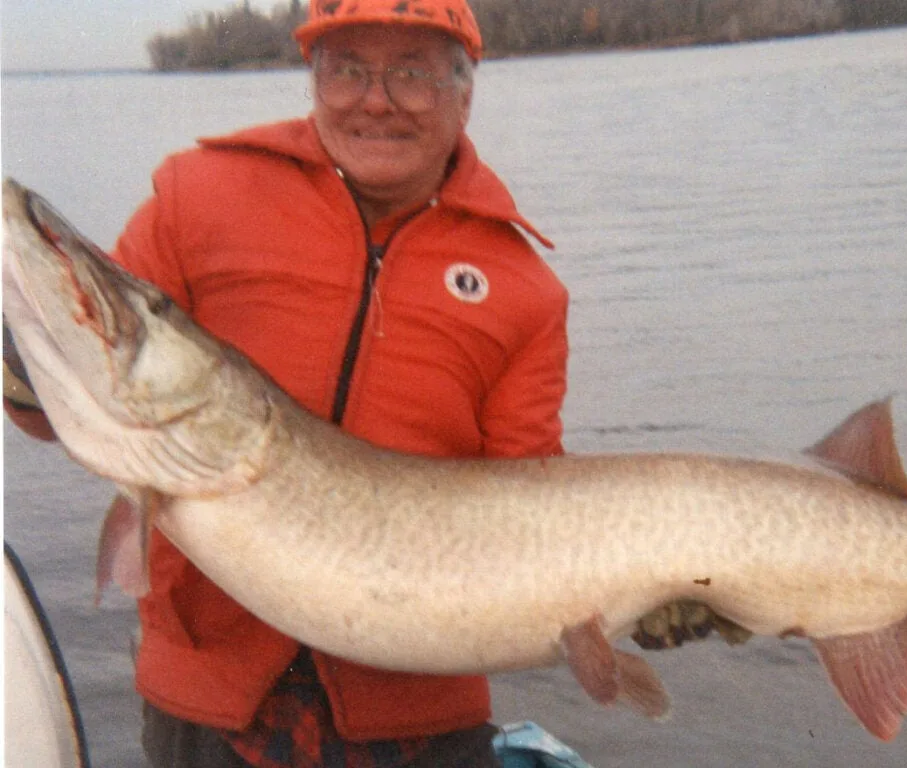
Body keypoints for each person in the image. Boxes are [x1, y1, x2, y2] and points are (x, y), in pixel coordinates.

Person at [5, 1, 568, 766]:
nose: (376, 99)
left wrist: (668, 593)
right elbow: (74, 406)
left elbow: (533, 512)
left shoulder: (522, 285)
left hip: (420, 723)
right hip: (209, 709)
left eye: (412, 73)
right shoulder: (197, 193)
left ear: (464, 92)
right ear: (313, 77)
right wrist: (20, 347)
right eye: (348, 70)